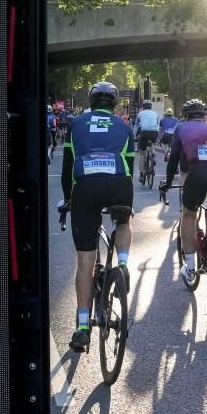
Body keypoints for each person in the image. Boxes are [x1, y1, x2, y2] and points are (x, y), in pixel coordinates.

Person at [60, 82, 135, 352]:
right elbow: (130, 166)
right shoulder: (125, 126)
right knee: (124, 221)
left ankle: (82, 327)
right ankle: (124, 263)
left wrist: (69, 198)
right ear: (114, 105)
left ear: (91, 102)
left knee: (85, 260)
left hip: (86, 187)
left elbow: (68, 166)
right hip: (118, 184)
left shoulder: (77, 123)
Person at [161, 98, 207, 283]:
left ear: (185, 116)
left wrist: (168, 182)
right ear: (205, 116)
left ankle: (191, 267)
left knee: (189, 215)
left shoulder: (181, 128)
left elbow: (174, 159)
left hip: (198, 173)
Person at [133, 100, 159, 184]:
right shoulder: (155, 114)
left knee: (142, 154)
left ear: (143, 107)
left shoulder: (140, 114)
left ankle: (141, 175)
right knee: (152, 143)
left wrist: (134, 136)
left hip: (144, 132)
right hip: (154, 132)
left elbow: (136, 126)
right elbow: (157, 124)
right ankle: (153, 156)